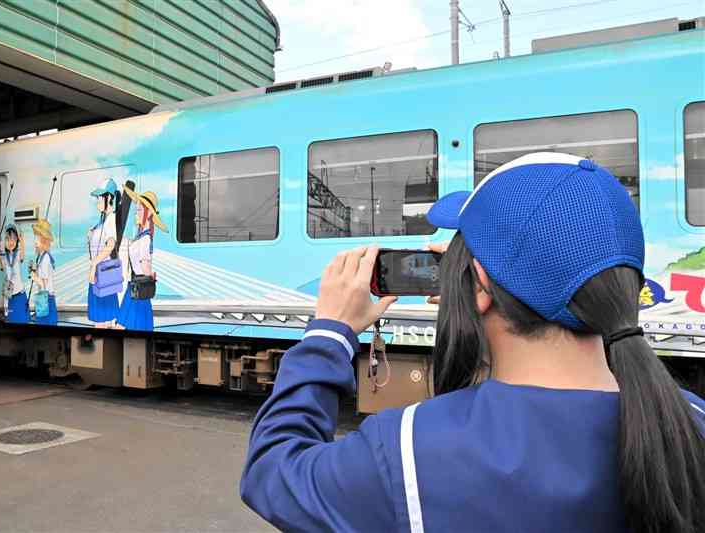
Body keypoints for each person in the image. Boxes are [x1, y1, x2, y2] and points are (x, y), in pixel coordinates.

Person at [240, 153, 705, 533]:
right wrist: (482, 295)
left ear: (479, 286)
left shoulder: (409, 451)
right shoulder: (688, 422)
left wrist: (329, 333)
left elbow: (274, 472)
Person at [115, 190, 167, 331]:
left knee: (126, 325)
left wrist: (149, 274)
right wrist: (150, 275)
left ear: (149, 213)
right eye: (136, 209)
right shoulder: (141, 237)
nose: (136, 213)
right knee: (132, 326)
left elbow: (145, 263)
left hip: (138, 287)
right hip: (136, 287)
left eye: (139, 209)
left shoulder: (144, 239)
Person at [87, 178, 120, 328]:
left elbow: (110, 245)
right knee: (102, 321)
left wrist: (94, 264)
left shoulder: (111, 219)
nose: (98, 201)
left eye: (100, 197)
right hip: (100, 276)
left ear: (110, 198)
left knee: (102, 322)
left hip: (103, 276)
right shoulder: (102, 220)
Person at [0, 223, 28, 323]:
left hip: (19, 293)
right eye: (8, 239)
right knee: (11, 319)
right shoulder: (3, 256)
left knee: (22, 319)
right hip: (8, 294)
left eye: (14, 239)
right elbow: (0, 267)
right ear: (4, 241)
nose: (11, 242)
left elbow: (22, 254)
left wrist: (21, 239)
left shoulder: (18, 254)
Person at [31, 218, 57, 326]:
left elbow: (44, 284)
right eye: (36, 237)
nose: (35, 241)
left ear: (44, 241)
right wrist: (35, 271)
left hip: (46, 299)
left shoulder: (45, 258)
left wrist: (35, 277)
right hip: (44, 298)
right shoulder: (41, 256)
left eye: (38, 238)